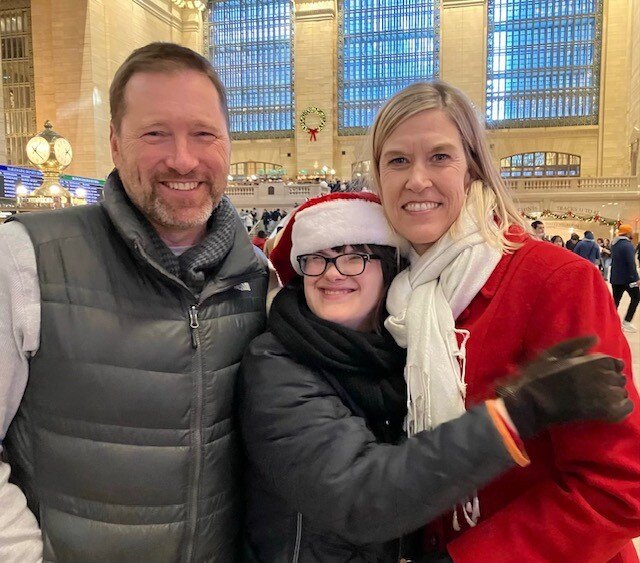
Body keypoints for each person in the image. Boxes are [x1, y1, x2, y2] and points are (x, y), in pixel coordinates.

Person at [239, 191, 631, 562]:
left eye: (354, 255)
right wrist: (515, 414)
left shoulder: (408, 347)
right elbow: (358, 495)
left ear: (388, 266)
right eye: (315, 259)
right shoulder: (276, 363)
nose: (332, 273)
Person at [0, 42, 269, 561]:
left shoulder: (259, 279)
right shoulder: (26, 258)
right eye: (154, 134)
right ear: (116, 146)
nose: (183, 159)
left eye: (203, 134)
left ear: (228, 145)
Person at [367, 81, 640, 562]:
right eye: (398, 160)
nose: (416, 179)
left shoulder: (554, 281)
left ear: (474, 168)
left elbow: (619, 485)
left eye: (439, 157)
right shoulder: (391, 298)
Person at [610, 224, 640, 333]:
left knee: (615, 301)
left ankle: (610, 322)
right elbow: (631, 264)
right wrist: (636, 278)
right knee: (636, 297)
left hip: (616, 278)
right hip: (628, 279)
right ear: (628, 233)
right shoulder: (627, 245)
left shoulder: (614, 243)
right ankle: (627, 322)